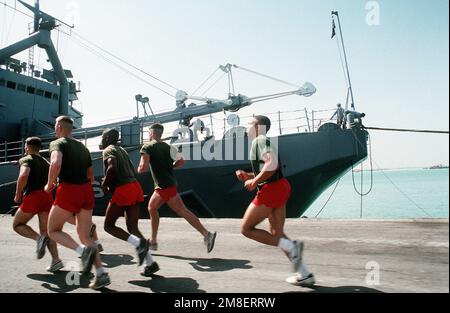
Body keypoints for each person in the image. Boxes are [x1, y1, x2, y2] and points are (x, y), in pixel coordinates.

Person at [235, 115, 315, 286]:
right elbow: (270, 168)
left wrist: (254, 182)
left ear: (258, 127)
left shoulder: (259, 140)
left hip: (271, 190)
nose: (246, 127)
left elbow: (272, 165)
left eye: (249, 124)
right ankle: (305, 273)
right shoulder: (263, 141)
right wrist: (248, 176)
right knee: (277, 233)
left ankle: (291, 247)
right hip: (280, 186)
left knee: (246, 229)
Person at [45, 116, 111, 290]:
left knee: (53, 230)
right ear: (71, 128)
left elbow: (55, 162)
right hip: (86, 191)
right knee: (85, 234)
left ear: (58, 127)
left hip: (69, 190)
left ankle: (82, 252)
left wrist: (49, 183)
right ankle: (101, 274)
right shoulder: (82, 147)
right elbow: (90, 174)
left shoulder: (58, 143)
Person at [138, 123, 216, 253]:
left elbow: (143, 168)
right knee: (153, 208)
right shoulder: (169, 147)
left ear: (151, 133)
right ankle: (153, 241)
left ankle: (207, 234)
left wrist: (138, 168)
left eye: (148, 132)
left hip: (163, 186)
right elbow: (182, 161)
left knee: (181, 211)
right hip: (167, 184)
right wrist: (171, 167)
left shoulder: (147, 146)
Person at [101, 129, 159, 277]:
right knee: (133, 227)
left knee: (109, 226)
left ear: (107, 138)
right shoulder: (122, 150)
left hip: (123, 189)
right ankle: (150, 262)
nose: (102, 139)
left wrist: (105, 183)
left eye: (102, 137)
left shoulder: (108, 150)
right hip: (134, 186)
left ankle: (138, 244)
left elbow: (112, 167)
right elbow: (132, 169)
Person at [12, 137, 63, 273]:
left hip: (32, 197)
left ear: (28, 147)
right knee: (47, 231)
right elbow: (54, 182)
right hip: (46, 197)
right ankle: (56, 260)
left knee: (17, 225)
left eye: (25, 146)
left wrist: (18, 194)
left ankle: (38, 239)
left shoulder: (26, 159)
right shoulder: (46, 162)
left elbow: (23, 175)